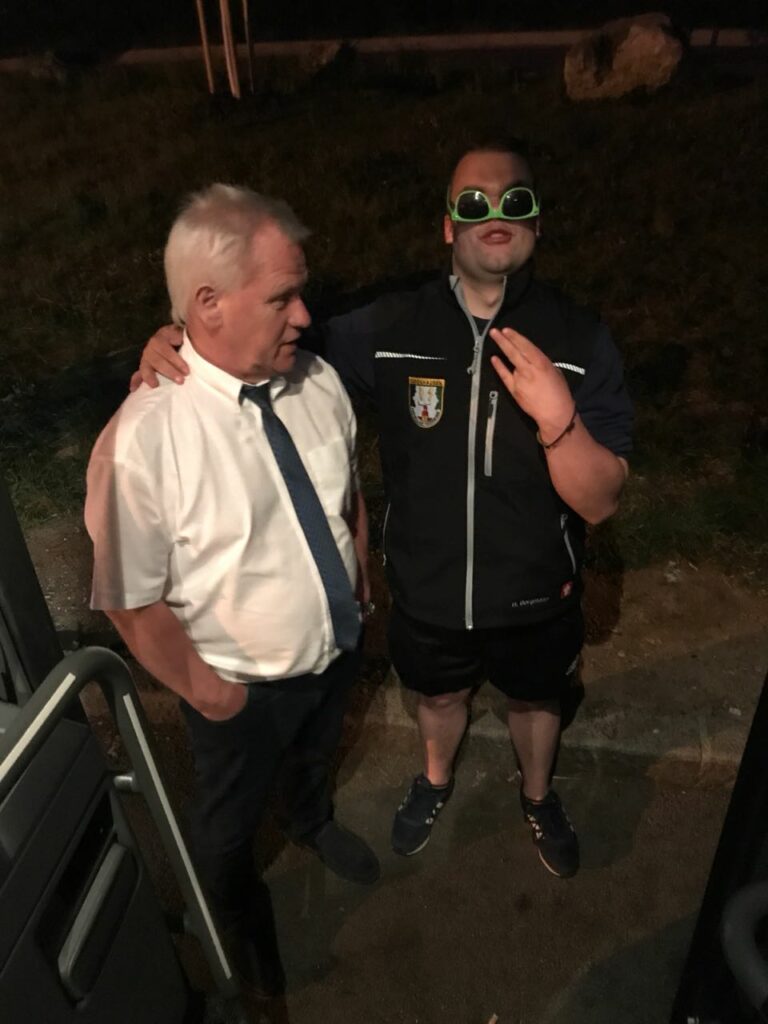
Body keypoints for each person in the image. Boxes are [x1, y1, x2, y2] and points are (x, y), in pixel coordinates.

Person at [135, 141, 633, 881]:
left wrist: (559, 419)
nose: (495, 214)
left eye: (516, 200)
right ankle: (435, 780)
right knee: (439, 695)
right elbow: (260, 336)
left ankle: (537, 795)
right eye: (474, 203)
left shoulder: (580, 337)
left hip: (537, 591)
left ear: (537, 222)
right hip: (427, 589)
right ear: (448, 226)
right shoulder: (391, 326)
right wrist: (177, 337)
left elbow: (601, 500)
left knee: (536, 702)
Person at [85, 184, 379, 997]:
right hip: (239, 693)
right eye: (282, 297)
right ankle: (239, 939)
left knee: (316, 756)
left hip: (335, 650)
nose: (305, 317)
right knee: (225, 830)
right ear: (207, 305)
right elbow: (128, 599)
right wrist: (212, 695)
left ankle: (312, 819)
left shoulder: (316, 382)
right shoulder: (144, 440)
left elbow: (348, 496)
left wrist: (360, 586)